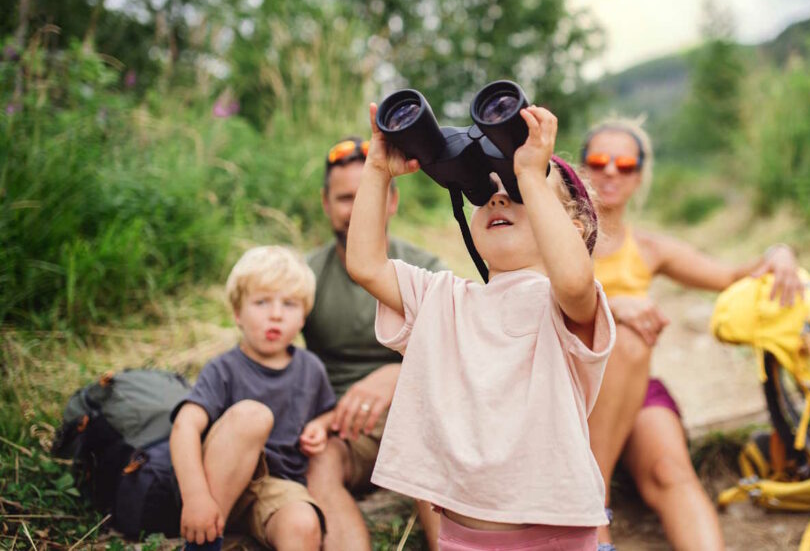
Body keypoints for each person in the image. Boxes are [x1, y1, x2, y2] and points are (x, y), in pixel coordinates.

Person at [347, 102, 615, 550]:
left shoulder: (563, 306)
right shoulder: (442, 300)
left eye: (517, 191)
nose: (498, 198)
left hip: (554, 536)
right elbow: (366, 264)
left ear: (573, 229)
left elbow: (573, 278)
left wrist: (530, 174)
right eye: (484, 192)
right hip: (461, 537)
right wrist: (377, 170)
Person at [579, 118, 804, 551]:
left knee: (671, 471)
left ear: (639, 177)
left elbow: (730, 276)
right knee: (628, 338)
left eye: (624, 164)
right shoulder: (554, 238)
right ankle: (591, 506)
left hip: (629, 388)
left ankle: (594, 495)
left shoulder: (648, 248)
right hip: (567, 386)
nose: (610, 171)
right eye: (599, 160)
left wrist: (778, 253)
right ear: (581, 169)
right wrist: (608, 305)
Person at [303, 136, 444, 551]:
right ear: (326, 204)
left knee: (427, 432)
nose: (355, 209)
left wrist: (396, 374)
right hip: (345, 428)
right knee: (320, 462)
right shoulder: (305, 275)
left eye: (368, 194)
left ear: (392, 200)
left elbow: (459, 354)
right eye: (345, 198)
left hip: (419, 415)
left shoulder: (426, 269)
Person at [168, 246, 337, 551]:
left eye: (289, 304)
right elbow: (185, 426)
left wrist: (320, 426)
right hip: (218, 484)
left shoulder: (311, 368)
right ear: (237, 314)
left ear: (303, 318)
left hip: (277, 488)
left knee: (303, 524)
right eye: (261, 302)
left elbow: (328, 411)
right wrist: (196, 496)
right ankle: (203, 543)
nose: (276, 314)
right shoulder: (223, 369)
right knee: (252, 416)